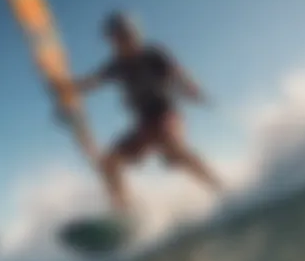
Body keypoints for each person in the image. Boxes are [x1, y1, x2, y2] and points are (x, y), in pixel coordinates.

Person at [59, 11, 223, 214]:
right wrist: (66, 86)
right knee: (109, 163)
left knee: (172, 149)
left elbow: (178, 73)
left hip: (165, 114)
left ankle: (219, 189)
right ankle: (125, 214)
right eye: (116, 38)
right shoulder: (117, 65)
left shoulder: (152, 55)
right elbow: (93, 82)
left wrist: (192, 90)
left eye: (125, 35)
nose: (121, 42)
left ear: (134, 34)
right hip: (144, 124)